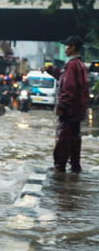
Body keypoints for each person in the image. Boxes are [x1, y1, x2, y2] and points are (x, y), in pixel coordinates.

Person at [41, 35, 89, 173]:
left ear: (73, 47)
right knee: (74, 138)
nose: (65, 49)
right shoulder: (79, 64)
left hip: (69, 110)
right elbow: (65, 77)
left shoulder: (72, 64)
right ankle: (75, 167)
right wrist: (51, 69)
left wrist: (61, 105)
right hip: (77, 111)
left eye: (67, 46)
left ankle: (59, 166)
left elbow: (68, 87)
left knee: (63, 137)